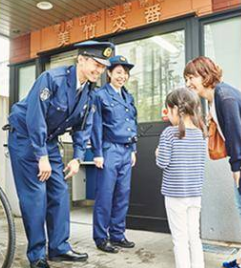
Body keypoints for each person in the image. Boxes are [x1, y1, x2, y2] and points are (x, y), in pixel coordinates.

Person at [6, 40, 114, 268]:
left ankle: (59, 248)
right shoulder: (52, 79)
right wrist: (41, 156)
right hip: (26, 138)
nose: (99, 70)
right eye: (96, 63)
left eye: (103, 67)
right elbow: (34, 117)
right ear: (81, 60)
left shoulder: (88, 92)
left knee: (59, 193)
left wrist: (77, 157)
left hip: (49, 141)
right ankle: (36, 255)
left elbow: (83, 127)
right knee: (36, 195)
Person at [184, 56, 241, 268]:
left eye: (191, 77)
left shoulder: (224, 97)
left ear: (205, 75)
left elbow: (235, 133)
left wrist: (237, 166)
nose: (188, 83)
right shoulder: (214, 98)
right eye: (186, 79)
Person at [156, 88, 207, 268]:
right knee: (194, 236)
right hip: (195, 194)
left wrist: (157, 152)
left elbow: (162, 162)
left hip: (175, 195)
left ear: (174, 110)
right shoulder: (201, 132)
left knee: (179, 239)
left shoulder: (169, 133)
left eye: (168, 110)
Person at [91, 55, 138, 253]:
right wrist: (97, 153)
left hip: (127, 151)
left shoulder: (128, 96)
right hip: (109, 150)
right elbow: (96, 126)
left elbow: (132, 123)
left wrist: (134, 149)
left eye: (125, 73)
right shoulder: (100, 95)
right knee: (105, 195)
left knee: (122, 195)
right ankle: (101, 238)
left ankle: (117, 235)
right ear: (109, 73)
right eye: (118, 72)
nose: (122, 76)